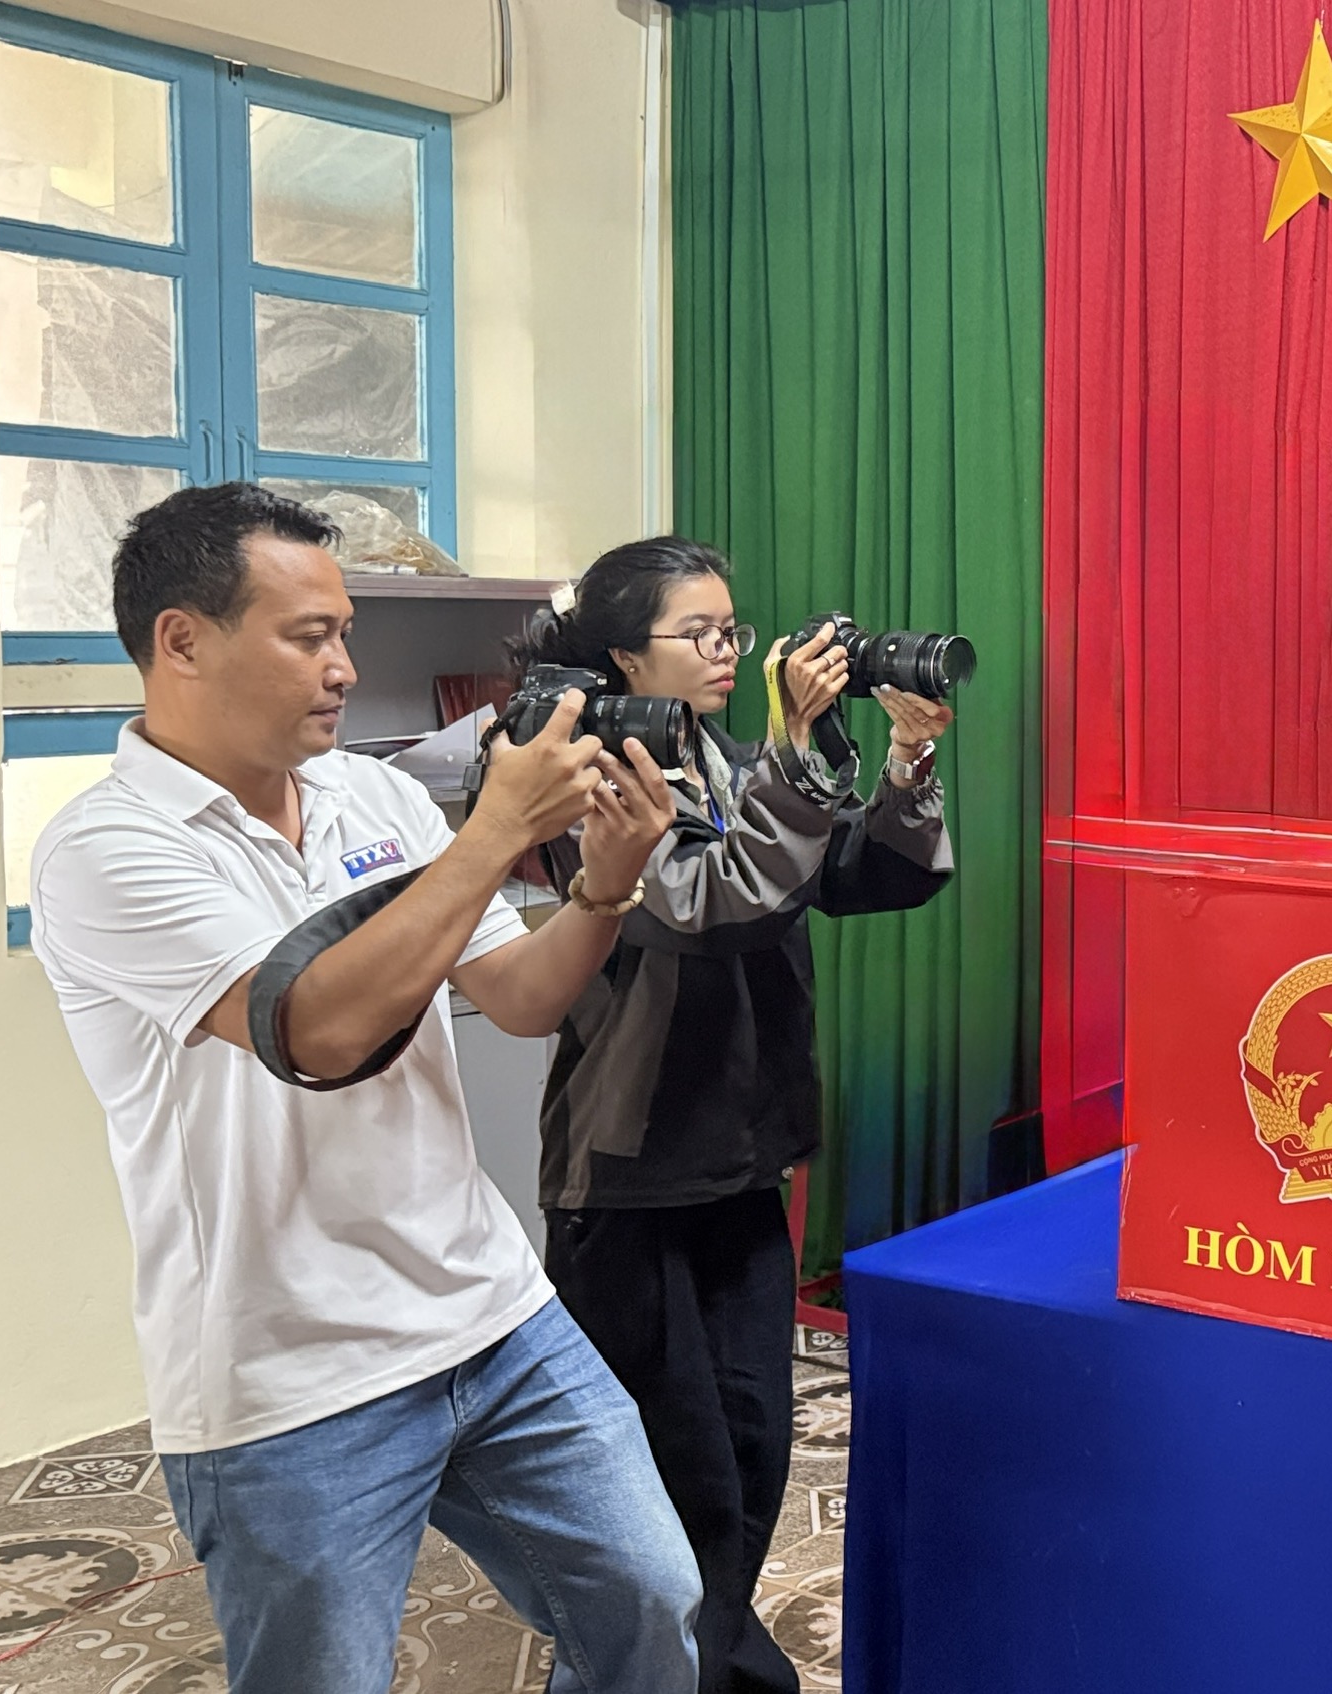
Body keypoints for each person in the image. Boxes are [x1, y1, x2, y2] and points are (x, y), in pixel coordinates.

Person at [28, 483, 704, 1694]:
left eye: (345, 633)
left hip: (490, 1310)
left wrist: (604, 884)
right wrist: (493, 831)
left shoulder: (376, 797)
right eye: (309, 636)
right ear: (181, 640)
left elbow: (521, 995)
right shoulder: (106, 848)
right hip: (290, 1375)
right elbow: (320, 1029)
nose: (344, 666)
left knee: (651, 1598)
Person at [515, 538, 955, 1694]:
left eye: (733, 629)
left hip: (741, 1159)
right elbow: (711, 906)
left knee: (754, 1450)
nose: (729, 651)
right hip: (631, 1176)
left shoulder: (733, 761)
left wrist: (906, 755)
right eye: (699, 633)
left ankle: (702, 1669)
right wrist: (798, 752)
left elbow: (864, 874)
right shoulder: (584, 778)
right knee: (673, 1480)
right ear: (625, 654)